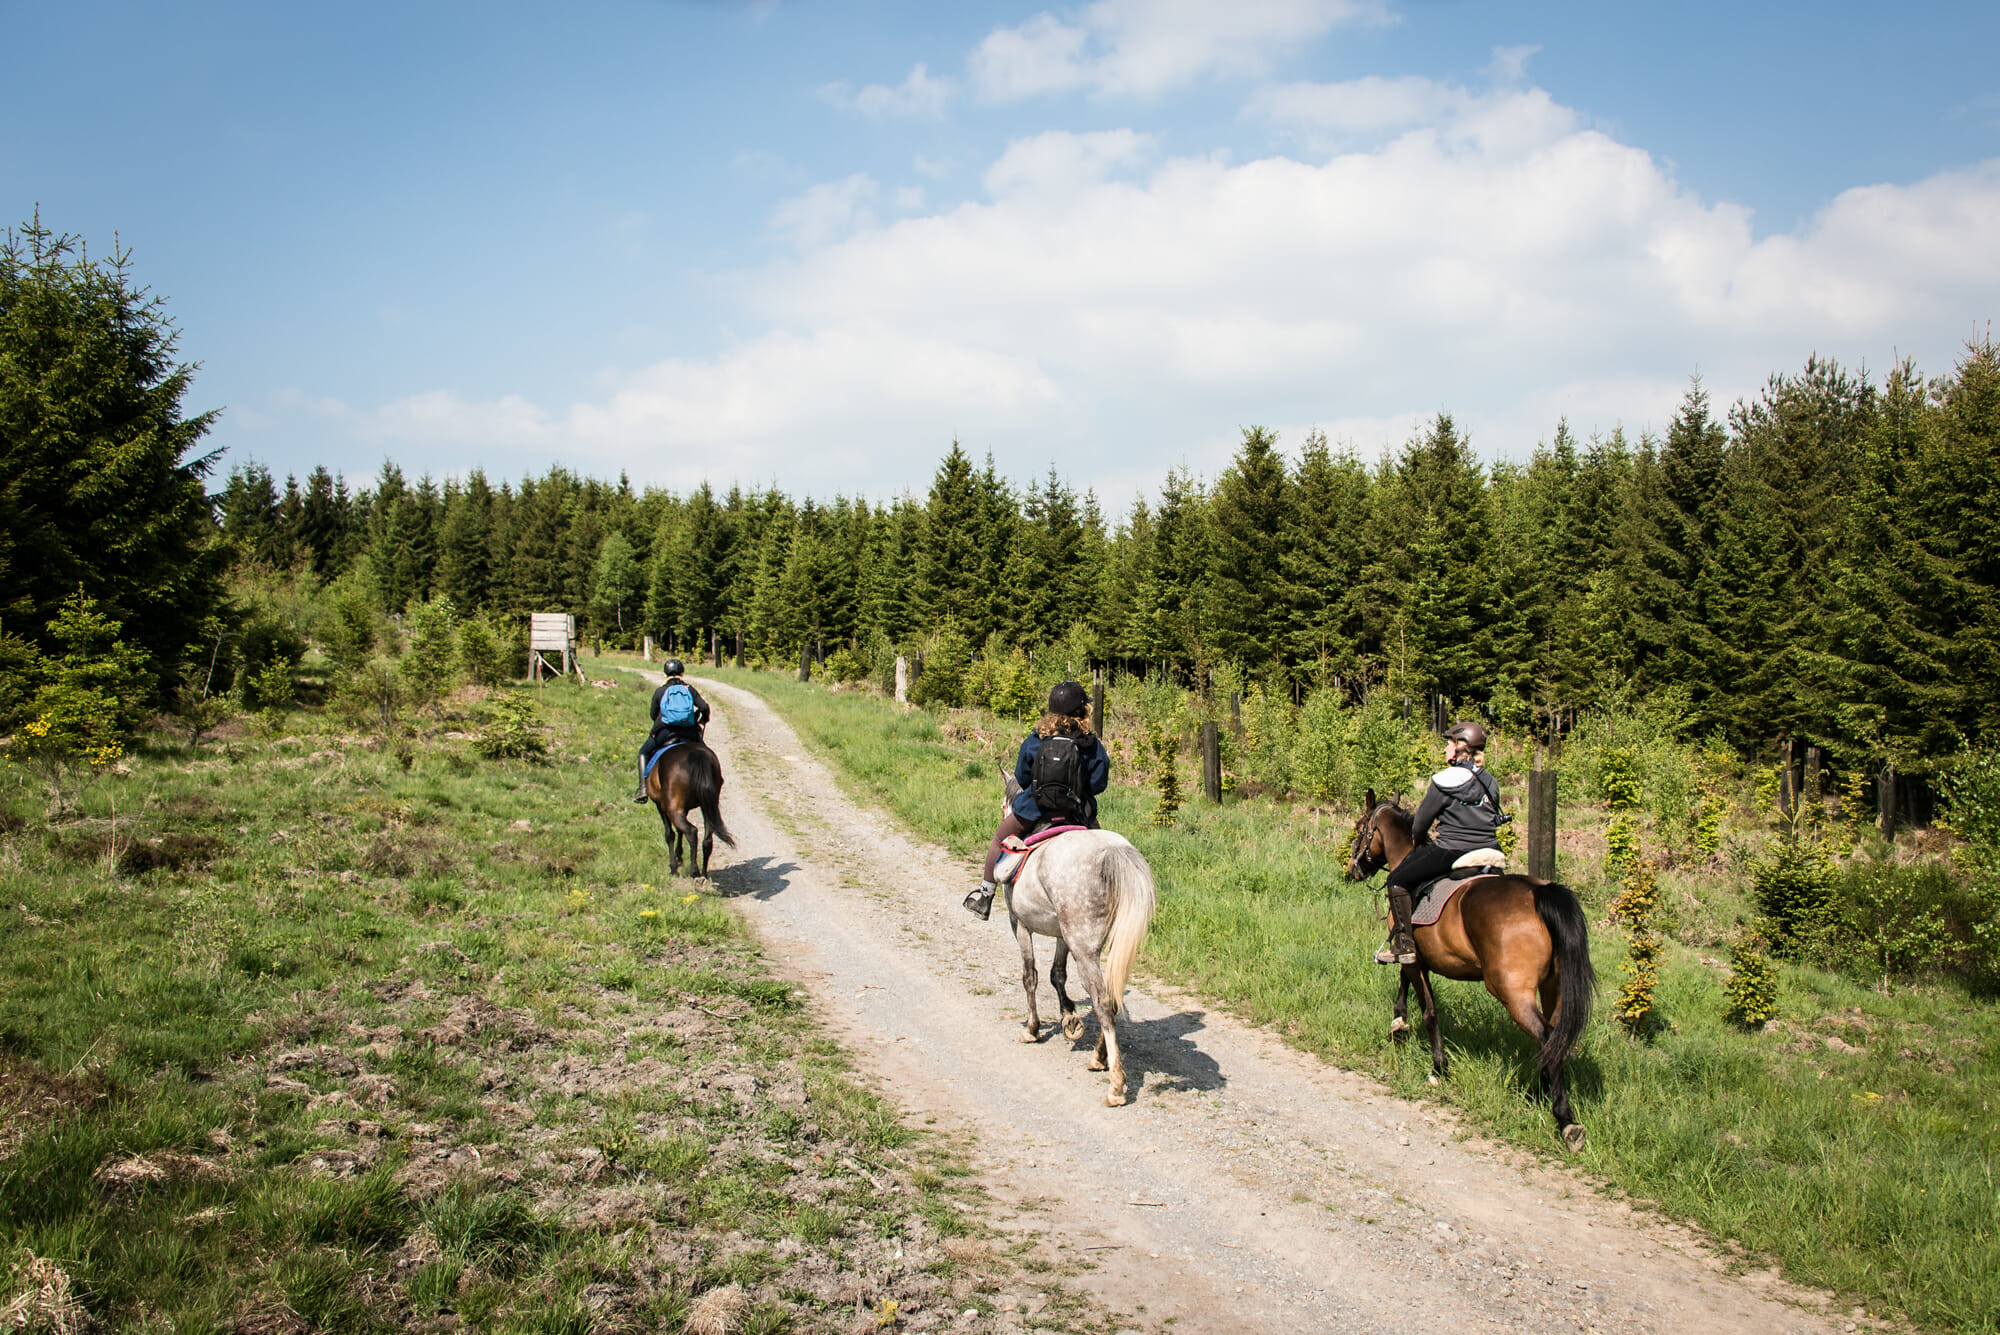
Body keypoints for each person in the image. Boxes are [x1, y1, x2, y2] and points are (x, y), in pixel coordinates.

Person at [963, 681, 1110, 920]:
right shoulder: (1090, 743)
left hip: (1034, 810)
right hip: (1077, 813)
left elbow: (1020, 776)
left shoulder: (1037, 738)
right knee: (1104, 853)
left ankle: (985, 898)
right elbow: (1098, 784)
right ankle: (1108, 905)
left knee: (999, 839)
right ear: (1082, 711)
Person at [1375, 720, 1505, 964]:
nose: (1444, 749)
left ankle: (1403, 946)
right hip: (1491, 850)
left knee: (1396, 880)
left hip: (1452, 850)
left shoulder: (1444, 780)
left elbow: (1421, 823)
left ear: (1459, 747)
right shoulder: (1491, 781)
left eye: (1448, 743)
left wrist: (1416, 840)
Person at [633, 658, 711, 802]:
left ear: (665, 674)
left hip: (665, 732)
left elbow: (652, 715)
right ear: (682, 673)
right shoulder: (689, 689)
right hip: (689, 732)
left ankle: (643, 789)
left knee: (643, 752)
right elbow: (704, 707)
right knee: (706, 755)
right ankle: (713, 782)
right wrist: (702, 719)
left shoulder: (660, 691)